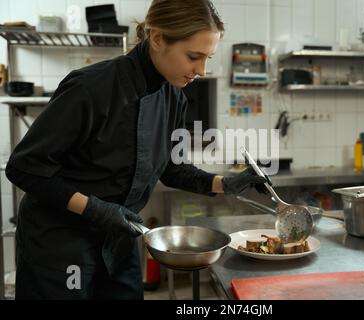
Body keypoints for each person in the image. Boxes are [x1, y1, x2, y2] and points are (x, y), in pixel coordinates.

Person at [5, 0, 266, 300]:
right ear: (157, 39)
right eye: (193, 56)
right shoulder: (91, 87)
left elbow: (172, 168)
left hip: (119, 239)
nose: (202, 70)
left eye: (207, 57)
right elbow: (24, 167)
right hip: (61, 242)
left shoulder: (174, 97)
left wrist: (224, 183)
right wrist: (94, 208)